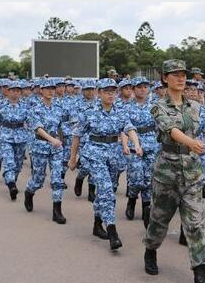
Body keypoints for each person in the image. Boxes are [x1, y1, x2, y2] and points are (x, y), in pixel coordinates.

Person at [143, 59, 205, 283]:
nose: (181, 78)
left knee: (195, 223)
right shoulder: (158, 105)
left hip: (191, 171)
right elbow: (171, 130)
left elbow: (203, 132)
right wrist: (192, 143)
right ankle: (151, 249)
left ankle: (200, 270)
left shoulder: (195, 107)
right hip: (167, 172)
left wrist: (201, 145)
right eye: (175, 75)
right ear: (165, 78)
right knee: (159, 219)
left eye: (183, 74)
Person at [69, 78, 142, 250]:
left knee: (106, 190)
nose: (111, 94)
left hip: (114, 154)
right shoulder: (89, 112)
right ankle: (112, 231)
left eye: (113, 91)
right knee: (107, 190)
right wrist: (73, 158)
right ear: (99, 93)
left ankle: (97, 223)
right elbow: (77, 135)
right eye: (107, 91)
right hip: (95, 153)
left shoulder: (121, 111)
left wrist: (136, 144)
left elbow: (129, 128)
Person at [24, 79, 67, 224]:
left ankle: (57, 211)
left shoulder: (59, 107)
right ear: (41, 90)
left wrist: (65, 140)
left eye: (53, 88)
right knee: (38, 179)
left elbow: (62, 126)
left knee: (57, 179)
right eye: (47, 88)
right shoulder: (35, 107)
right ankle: (29, 192)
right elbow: (37, 128)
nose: (50, 91)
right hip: (40, 145)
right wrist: (51, 139)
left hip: (56, 148)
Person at [123, 77, 159, 228]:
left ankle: (146, 207)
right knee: (137, 177)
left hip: (152, 144)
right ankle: (132, 199)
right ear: (133, 89)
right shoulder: (126, 107)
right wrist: (125, 144)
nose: (143, 89)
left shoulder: (155, 106)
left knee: (149, 178)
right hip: (134, 144)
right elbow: (124, 127)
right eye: (139, 87)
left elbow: (160, 124)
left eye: (145, 87)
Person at [0, 81, 29, 200]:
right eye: (13, 90)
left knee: (18, 164)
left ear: (20, 92)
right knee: (9, 161)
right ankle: (11, 185)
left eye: (18, 91)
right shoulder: (1, 105)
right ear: (8, 91)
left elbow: (31, 122)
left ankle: (13, 179)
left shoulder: (26, 106)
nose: (15, 93)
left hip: (21, 136)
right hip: (5, 136)